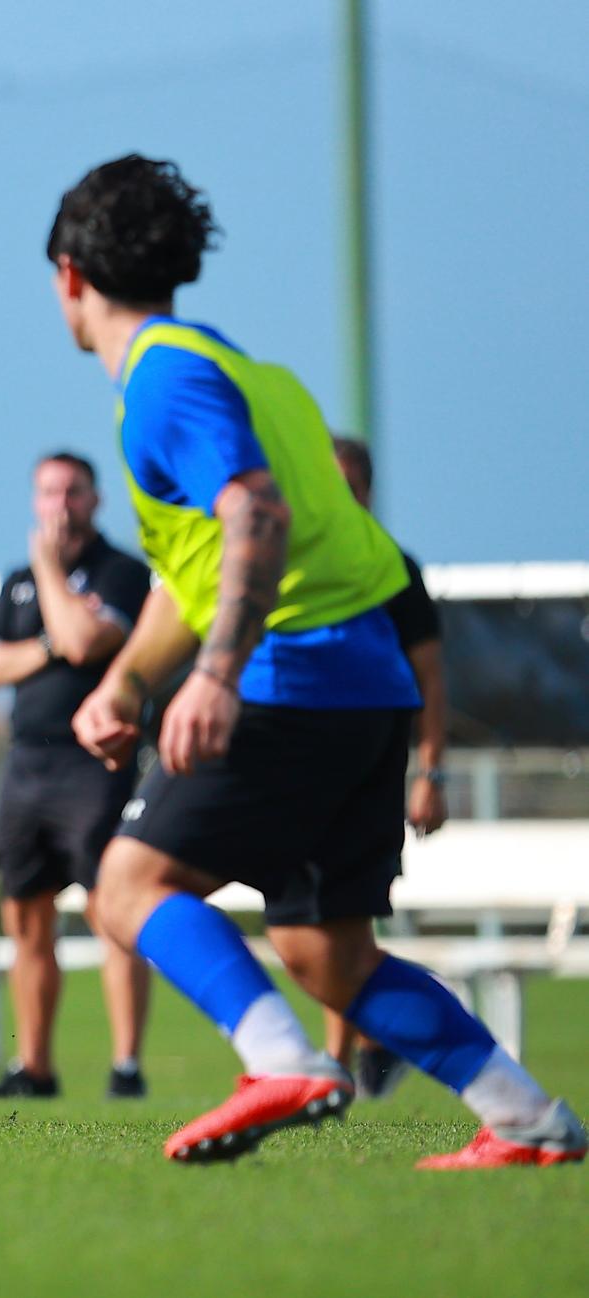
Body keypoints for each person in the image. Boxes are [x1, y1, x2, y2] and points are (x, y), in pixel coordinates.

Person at [49, 153, 581, 1168]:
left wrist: (211, 674)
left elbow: (256, 513)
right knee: (325, 952)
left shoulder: (163, 378)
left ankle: (280, 1061)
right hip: (367, 687)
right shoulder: (255, 373)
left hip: (292, 679)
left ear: (70, 274)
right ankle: (527, 1115)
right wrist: (126, 678)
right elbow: (196, 571)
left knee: (124, 882)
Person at [0, 451, 153, 1100]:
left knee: (113, 913)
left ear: (96, 500)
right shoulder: (16, 581)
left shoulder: (123, 573)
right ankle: (35, 1068)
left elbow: (85, 643)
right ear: (34, 502)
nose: (62, 504)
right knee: (25, 917)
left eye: (74, 491)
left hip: (95, 764)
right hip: (28, 764)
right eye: (49, 492)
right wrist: (46, 641)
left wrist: (51, 580)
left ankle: (126, 1067)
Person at [319, 434, 450, 1101]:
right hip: (306, 767)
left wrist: (431, 773)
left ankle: (339, 1061)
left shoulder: (395, 569)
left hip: (371, 769)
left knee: (344, 918)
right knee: (319, 919)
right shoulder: (301, 564)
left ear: (367, 490)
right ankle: (366, 1044)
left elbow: (428, 676)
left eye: (350, 483)